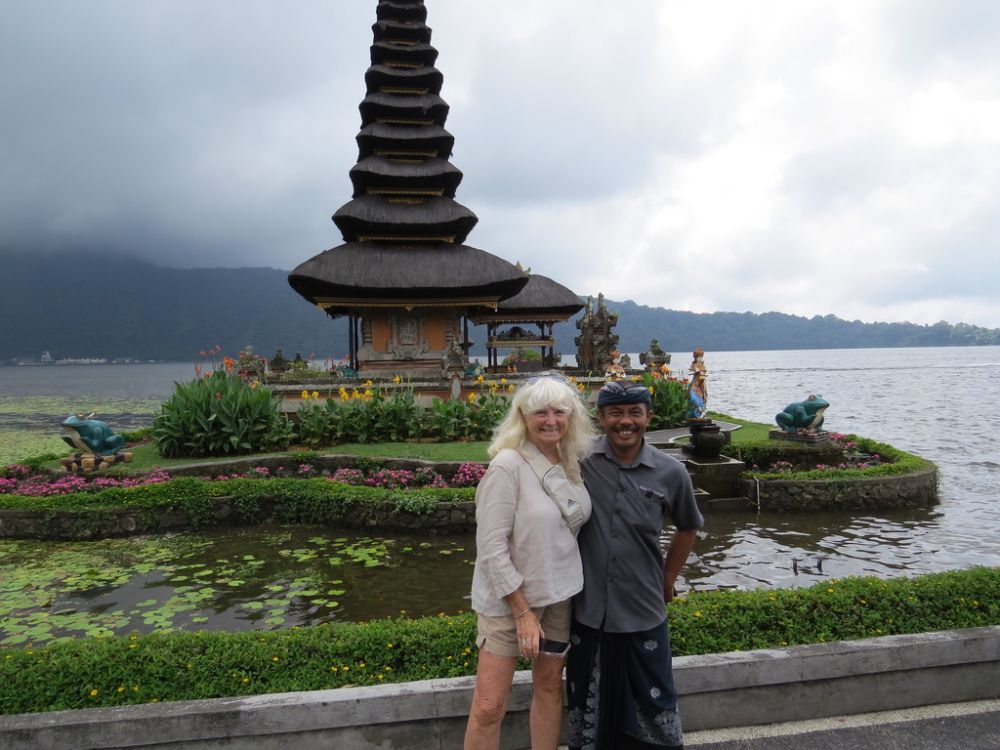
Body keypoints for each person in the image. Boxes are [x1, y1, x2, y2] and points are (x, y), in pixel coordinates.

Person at [567, 380, 705, 749]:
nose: (624, 422)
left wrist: (668, 579)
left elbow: (688, 526)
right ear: (601, 418)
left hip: (643, 605)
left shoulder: (670, 471)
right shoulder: (580, 463)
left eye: (633, 413)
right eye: (615, 413)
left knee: (654, 695)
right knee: (584, 698)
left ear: (648, 417)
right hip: (587, 606)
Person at [465, 375, 597, 750]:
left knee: (550, 687)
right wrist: (522, 612)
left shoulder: (571, 463)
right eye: (540, 412)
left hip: (559, 597)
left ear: (571, 417)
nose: (550, 420)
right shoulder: (508, 465)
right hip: (509, 604)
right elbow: (491, 546)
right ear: (523, 417)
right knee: (490, 705)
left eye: (559, 412)